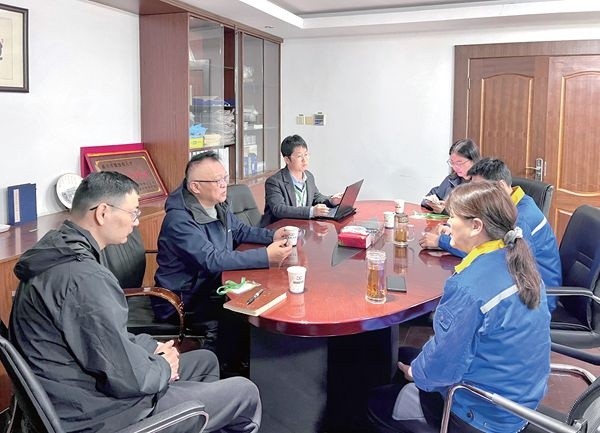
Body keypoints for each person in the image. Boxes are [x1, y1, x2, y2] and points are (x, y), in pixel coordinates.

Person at [9, 171, 261, 433]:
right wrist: (162, 366)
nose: (136, 221)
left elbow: (105, 337)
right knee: (244, 392)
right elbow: (127, 376)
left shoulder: (57, 252)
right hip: (99, 414)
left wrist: (152, 347)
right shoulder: (83, 278)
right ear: (103, 212)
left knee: (205, 360)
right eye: (133, 213)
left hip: (81, 391)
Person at [369, 181, 551, 433]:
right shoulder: (521, 265)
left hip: (479, 414)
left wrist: (415, 373)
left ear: (476, 226)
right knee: (409, 355)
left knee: (375, 401)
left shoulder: (469, 287)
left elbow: (443, 367)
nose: (447, 223)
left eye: (453, 217)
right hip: (520, 403)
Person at [153, 151, 292, 355]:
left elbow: (240, 230)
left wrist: (272, 236)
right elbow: (211, 260)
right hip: (186, 299)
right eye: (217, 180)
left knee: (266, 296)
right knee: (245, 311)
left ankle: (249, 358)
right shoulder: (179, 221)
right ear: (195, 187)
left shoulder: (217, 204)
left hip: (213, 285)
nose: (224, 184)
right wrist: (265, 256)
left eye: (225, 178)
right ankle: (227, 364)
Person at [419, 157, 561, 311]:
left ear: (500, 186)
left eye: (480, 189)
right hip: (512, 287)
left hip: (534, 300)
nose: (475, 195)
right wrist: (459, 233)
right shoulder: (506, 205)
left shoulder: (521, 218)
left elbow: (495, 256)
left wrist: (442, 242)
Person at [260, 134, 343, 227]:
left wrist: (331, 200)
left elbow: (316, 198)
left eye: (306, 154)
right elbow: (279, 209)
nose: (304, 160)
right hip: (279, 229)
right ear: (287, 160)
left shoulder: (309, 176)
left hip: (303, 226)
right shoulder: (274, 182)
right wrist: (311, 211)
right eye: (299, 156)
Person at [421, 138, 480, 214]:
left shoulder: (483, 183)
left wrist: (445, 211)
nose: (455, 167)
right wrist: (429, 202)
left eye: (459, 163)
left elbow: (477, 214)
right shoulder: (452, 179)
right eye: (452, 163)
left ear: (473, 160)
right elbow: (435, 194)